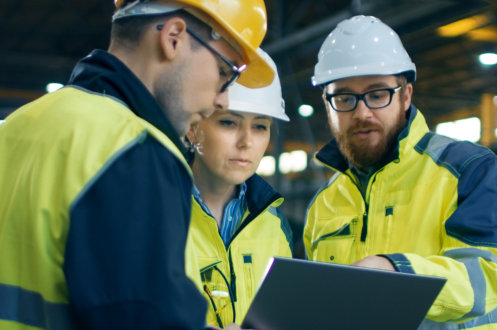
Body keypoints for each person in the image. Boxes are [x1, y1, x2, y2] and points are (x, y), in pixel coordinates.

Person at [0, 0, 274, 329]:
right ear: (173, 37)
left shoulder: (20, 124)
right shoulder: (135, 150)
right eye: (224, 73)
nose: (222, 100)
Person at [303, 15, 497, 329]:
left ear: (405, 96)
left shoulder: (469, 171)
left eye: (378, 94)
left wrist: (397, 272)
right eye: (344, 98)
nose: (362, 112)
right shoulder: (323, 204)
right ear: (327, 105)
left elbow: (487, 280)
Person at [184, 50, 293, 328]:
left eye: (260, 127)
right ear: (193, 129)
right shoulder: (155, 211)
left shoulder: (275, 224)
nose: (247, 142)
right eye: (229, 122)